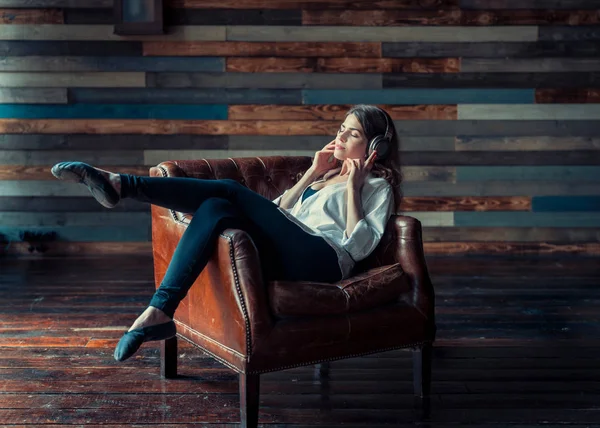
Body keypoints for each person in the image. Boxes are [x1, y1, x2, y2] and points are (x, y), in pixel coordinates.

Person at [50, 104, 401, 362]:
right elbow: (279, 212)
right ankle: (159, 312)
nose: (339, 136)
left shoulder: (376, 186)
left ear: (375, 149)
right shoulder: (325, 176)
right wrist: (311, 173)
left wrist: (354, 187)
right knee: (215, 208)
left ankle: (121, 185)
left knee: (226, 191)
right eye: (340, 127)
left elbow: (359, 246)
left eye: (351, 133)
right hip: (292, 252)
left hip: (326, 261)